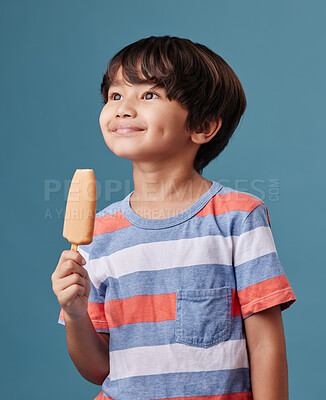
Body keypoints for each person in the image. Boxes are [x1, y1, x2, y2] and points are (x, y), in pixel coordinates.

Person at [51, 35, 296, 400]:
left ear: (203, 127)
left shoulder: (238, 218)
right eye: (115, 95)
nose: (122, 108)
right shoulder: (97, 233)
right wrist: (74, 313)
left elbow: (265, 345)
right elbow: (98, 368)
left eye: (148, 95)